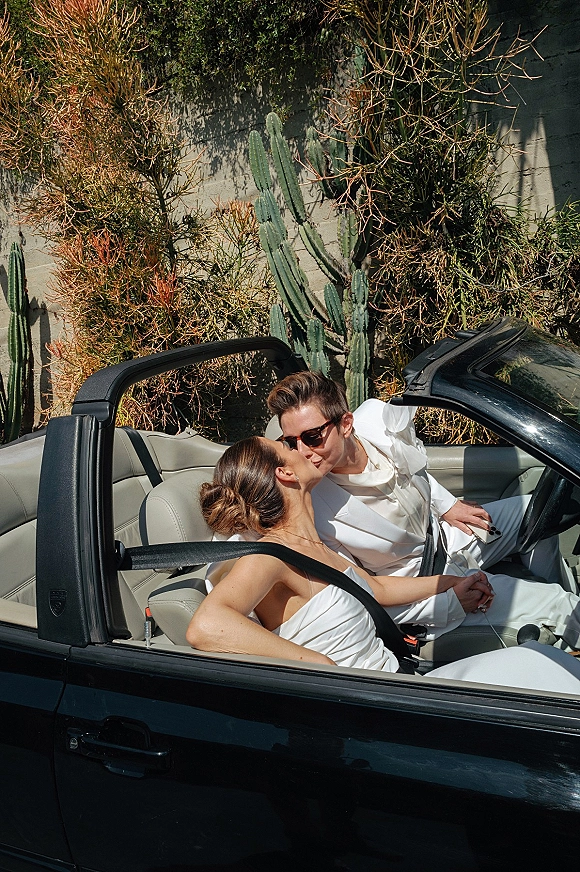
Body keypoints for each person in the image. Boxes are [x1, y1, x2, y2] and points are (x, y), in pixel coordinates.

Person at [186, 436, 580, 693]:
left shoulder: (318, 546)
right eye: (288, 446)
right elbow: (206, 626)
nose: (303, 449)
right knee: (547, 673)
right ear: (285, 472)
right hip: (377, 702)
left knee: (549, 666)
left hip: (398, 682)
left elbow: (375, 589)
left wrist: (447, 584)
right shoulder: (270, 556)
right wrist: (318, 667)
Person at [266, 372, 580, 647]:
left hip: (447, 537)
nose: (303, 452)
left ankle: (548, 603)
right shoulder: (317, 513)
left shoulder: (378, 419)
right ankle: (554, 620)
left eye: (312, 436)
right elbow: (363, 595)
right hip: (426, 587)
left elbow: (412, 466)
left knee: (539, 513)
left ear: (346, 424)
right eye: (291, 442)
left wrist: (447, 505)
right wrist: (450, 604)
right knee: (561, 608)